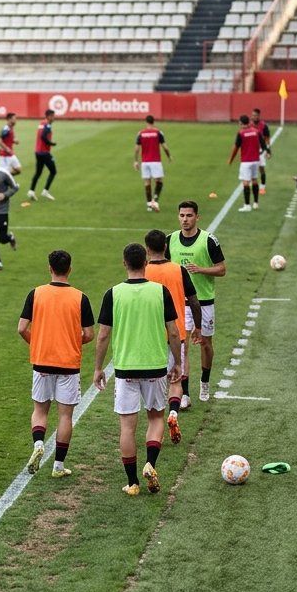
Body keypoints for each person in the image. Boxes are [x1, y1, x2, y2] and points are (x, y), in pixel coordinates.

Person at [94, 242, 183, 496]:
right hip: (155, 366)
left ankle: (132, 483)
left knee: (127, 427)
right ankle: (150, 464)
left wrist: (98, 368)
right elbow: (174, 332)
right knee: (156, 418)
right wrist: (177, 363)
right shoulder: (160, 292)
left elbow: (102, 336)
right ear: (146, 263)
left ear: (124, 263)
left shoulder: (113, 293)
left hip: (125, 368)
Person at [18, 249, 94, 478]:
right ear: (70, 269)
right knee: (65, 416)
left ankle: (39, 443)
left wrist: (37, 343)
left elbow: (21, 328)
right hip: (68, 364)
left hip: (42, 361)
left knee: (40, 410)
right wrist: (71, 341)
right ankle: (58, 466)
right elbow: (89, 334)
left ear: (49, 268)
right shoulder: (80, 297)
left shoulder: (36, 293)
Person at [142, 229, 202, 443]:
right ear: (165, 247)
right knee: (176, 376)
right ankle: (174, 413)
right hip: (176, 333)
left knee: (154, 380)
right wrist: (198, 326)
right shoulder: (179, 270)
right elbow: (194, 301)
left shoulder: (143, 271)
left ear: (147, 249)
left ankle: (155, 420)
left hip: (150, 336)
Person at [165, 200, 224, 407]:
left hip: (204, 301)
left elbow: (222, 269)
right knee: (183, 346)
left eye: (189, 216)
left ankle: (205, 381)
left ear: (197, 217)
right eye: (181, 215)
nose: (185, 220)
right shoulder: (170, 240)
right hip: (180, 304)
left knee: (206, 344)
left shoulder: (209, 240)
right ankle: (185, 394)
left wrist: (200, 269)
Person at [137, 115, 172, 212]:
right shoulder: (158, 132)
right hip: (155, 161)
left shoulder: (141, 133)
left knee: (147, 182)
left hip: (145, 162)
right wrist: (169, 156)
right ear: (153, 122)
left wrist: (136, 161)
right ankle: (155, 201)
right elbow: (165, 147)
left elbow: (136, 148)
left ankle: (149, 205)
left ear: (146, 122)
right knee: (159, 181)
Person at [228, 114, 263, 212]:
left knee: (246, 182)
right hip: (256, 160)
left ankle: (247, 205)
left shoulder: (241, 133)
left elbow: (236, 148)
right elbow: (262, 143)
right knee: (255, 180)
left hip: (246, 161)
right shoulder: (256, 131)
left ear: (241, 123)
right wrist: (266, 152)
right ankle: (256, 203)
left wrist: (231, 159)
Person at [28, 108, 57, 201]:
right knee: (53, 171)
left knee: (38, 172)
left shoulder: (41, 123)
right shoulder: (47, 125)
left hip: (38, 152)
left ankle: (31, 191)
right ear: (48, 116)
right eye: (52, 116)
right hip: (44, 153)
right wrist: (51, 143)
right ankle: (45, 191)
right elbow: (43, 136)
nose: (54, 118)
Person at [250, 108, 272, 194]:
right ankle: (254, 183)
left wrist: (268, 151)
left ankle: (262, 187)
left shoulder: (264, 126)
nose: (253, 117)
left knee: (261, 168)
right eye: (252, 115)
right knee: (252, 168)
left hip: (261, 150)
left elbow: (267, 138)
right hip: (251, 150)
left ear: (259, 116)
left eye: (255, 115)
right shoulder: (249, 125)